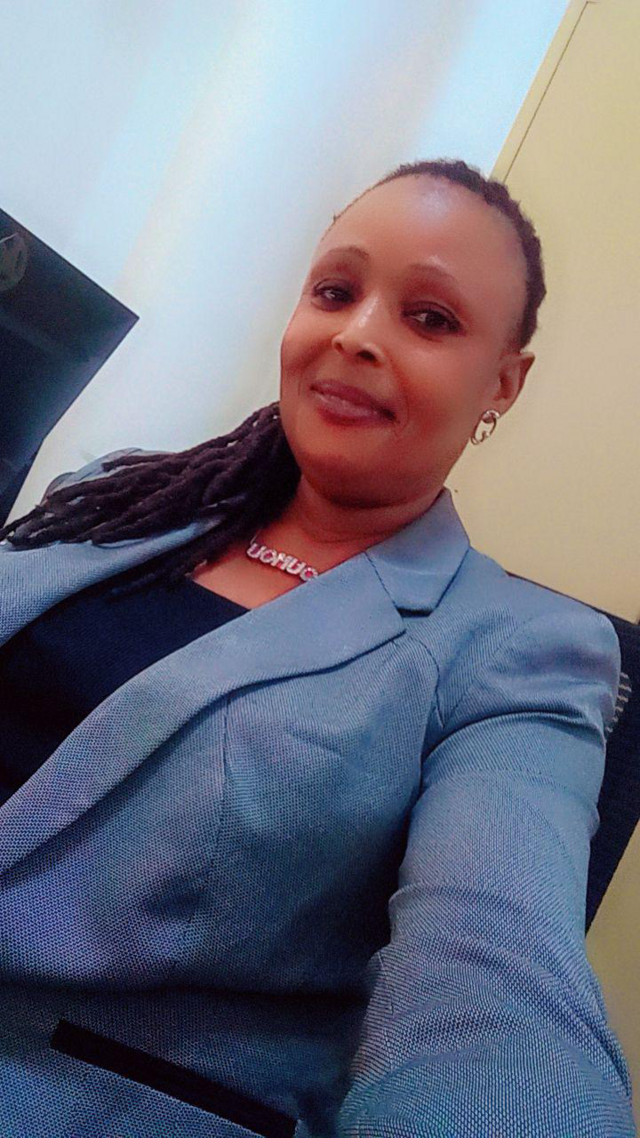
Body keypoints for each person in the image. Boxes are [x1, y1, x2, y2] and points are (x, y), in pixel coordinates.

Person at [0, 158, 634, 1137]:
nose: (356, 334)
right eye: (335, 292)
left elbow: (495, 968)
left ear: (503, 382)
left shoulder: (526, 651)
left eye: (429, 318)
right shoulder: (116, 499)